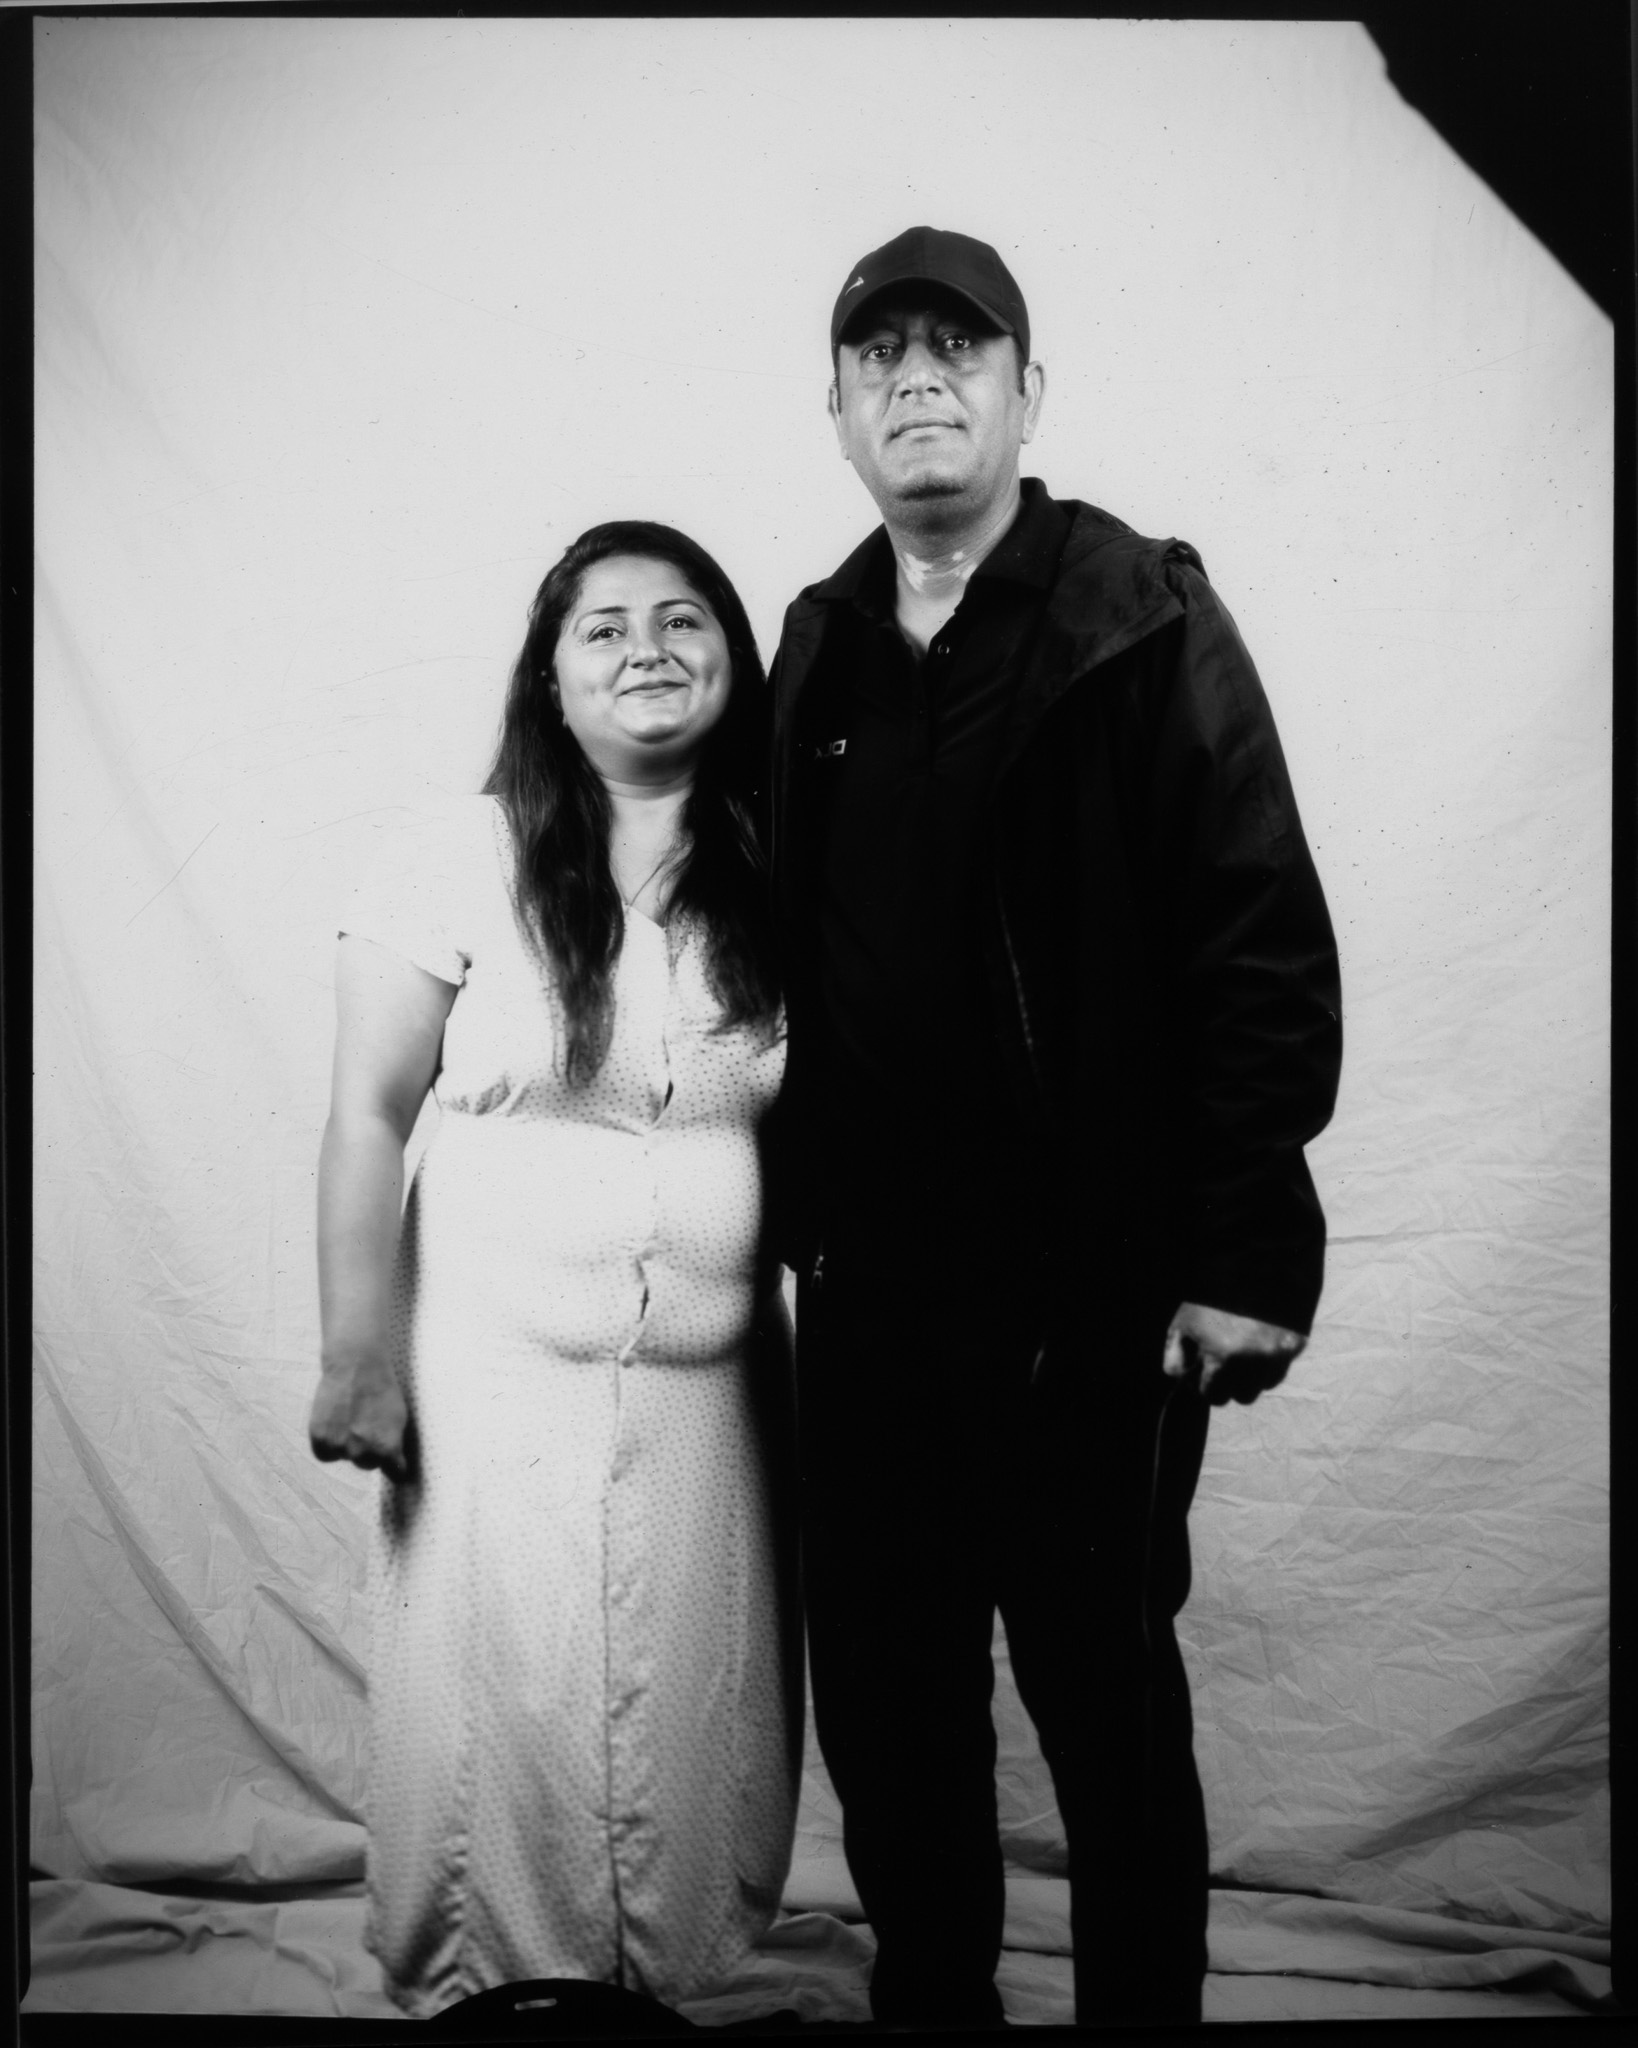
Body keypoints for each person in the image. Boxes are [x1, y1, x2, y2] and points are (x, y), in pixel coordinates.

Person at [767, 226, 1344, 2030]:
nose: (919, 378)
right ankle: (933, 2010)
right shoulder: (822, 641)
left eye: (961, 348)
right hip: (866, 1292)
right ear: (841, 412)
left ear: (1028, 392)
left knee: (1101, 1694)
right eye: (882, 356)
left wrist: (1243, 1248)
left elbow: (1260, 935)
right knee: (887, 1702)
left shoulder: (1137, 616)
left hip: (1083, 1294)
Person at [307, 522, 801, 2020]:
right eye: (603, 627)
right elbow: (367, 1112)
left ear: (733, 654)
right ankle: (486, 1990)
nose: (645, 647)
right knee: (496, 1698)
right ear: (549, 674)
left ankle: (661, 1990)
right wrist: (357, 1355)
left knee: (697, 1704)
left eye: (681, 618)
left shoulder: (787, 861)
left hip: (714, 1397)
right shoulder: (461, 855)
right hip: (485, 1369)